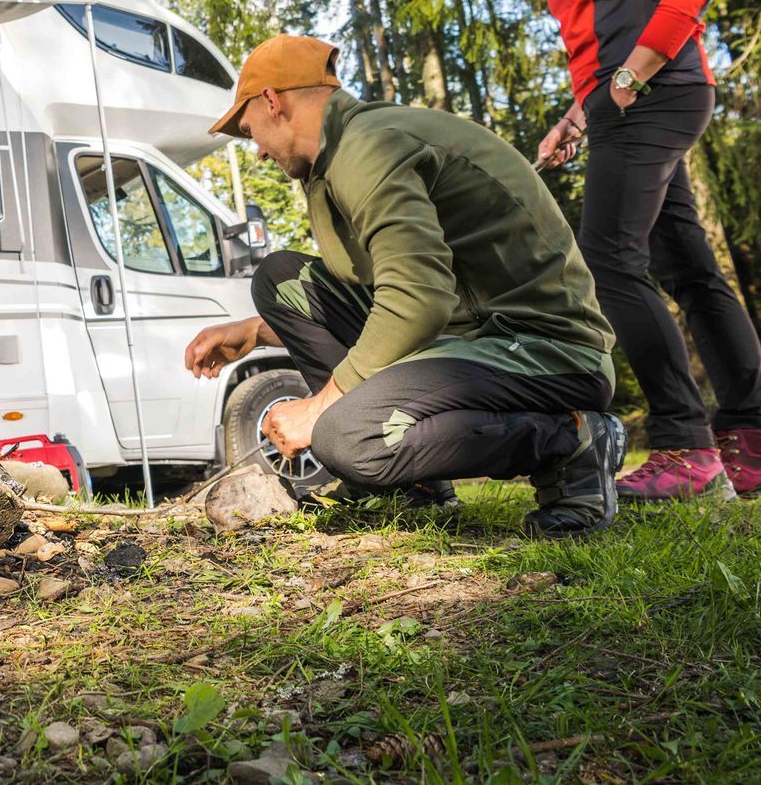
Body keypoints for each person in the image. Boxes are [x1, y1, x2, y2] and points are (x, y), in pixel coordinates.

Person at [183, 35, 627, 536]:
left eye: (251, 131)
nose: (259, 152)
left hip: (549, 351)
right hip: (470, 338)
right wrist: (255, 333)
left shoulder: (367, 145)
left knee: (345, 437)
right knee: (282, 280)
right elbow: (389, 295)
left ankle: (573, 440)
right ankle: (410, 484)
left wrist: (318, 409)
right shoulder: (338, 157)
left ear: (272, 101)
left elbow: (417, 298)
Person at [511, 0, 761, 501]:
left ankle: (683, 446)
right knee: (690, 269)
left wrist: (631, 80)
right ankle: (753, 449)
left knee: (608, 260)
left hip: (654, 96)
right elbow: (606, 28)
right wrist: (582, 111)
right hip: (623, 104)